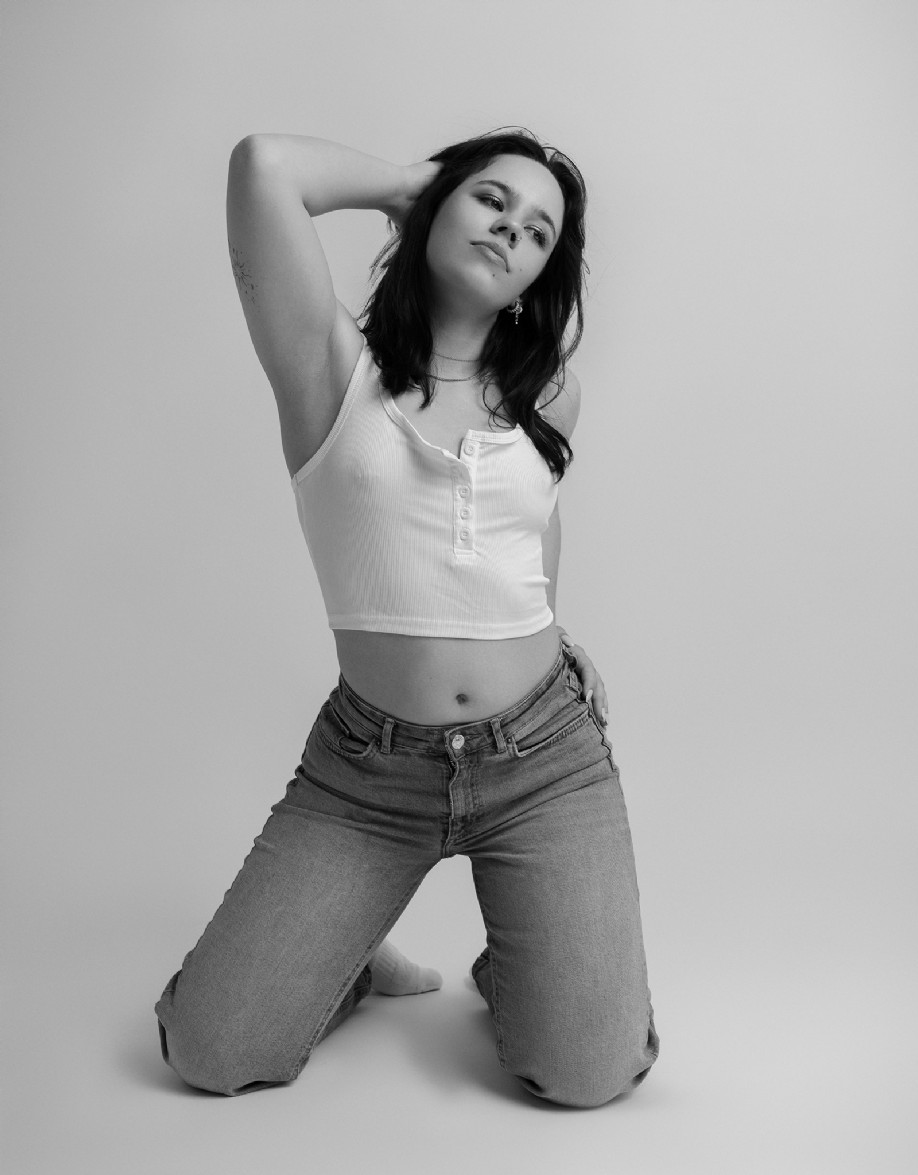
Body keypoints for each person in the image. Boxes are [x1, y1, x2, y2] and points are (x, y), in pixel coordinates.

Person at [155, 128, 659, 1107]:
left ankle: (525, 964)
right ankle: (345, 954)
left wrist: (559, 636)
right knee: (209, 1052)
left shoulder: (550, 395)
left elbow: (528, 529)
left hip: (543, 756)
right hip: (368, 772)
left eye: (538, 231)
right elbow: (264, 167)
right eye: (491, 200)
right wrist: (412, 187)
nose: (511, 229)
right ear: (436, 206)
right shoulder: (327, 364)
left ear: (538, 279)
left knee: (589, 1075)